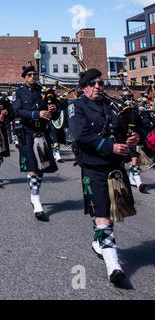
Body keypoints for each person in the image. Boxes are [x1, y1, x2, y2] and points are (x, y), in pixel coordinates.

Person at [68, 68, 143, 284]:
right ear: (84, 87)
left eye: (101, 83)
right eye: (93, 84)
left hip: (115, 167)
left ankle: (98, 242)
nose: (98, 87)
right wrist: (110, 147)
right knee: (102, 212)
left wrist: (135, 137)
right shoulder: (76, 106)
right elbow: (81, 134)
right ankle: (114, 266)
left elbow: (134, 125)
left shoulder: (112, 105)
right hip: (94, 166)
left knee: (110, 211)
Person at [12, 65, 60, 222]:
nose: (33, 77)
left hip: (43, 133)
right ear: (24, 77)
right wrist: (35, 113)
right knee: (33, 167)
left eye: (35, 74)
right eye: (30, 74)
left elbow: (55, 114)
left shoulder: (45, 91)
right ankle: (36, 198)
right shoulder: (19, 92)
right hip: (27, 133)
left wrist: (54, 110)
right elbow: (17, 111)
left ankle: (34, 193)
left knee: (41, 168)